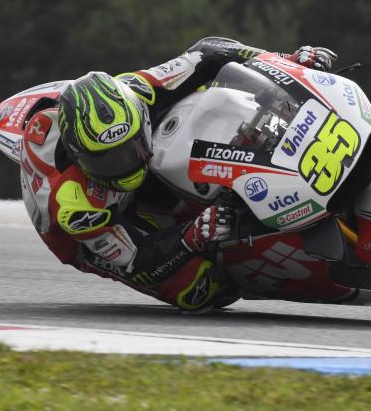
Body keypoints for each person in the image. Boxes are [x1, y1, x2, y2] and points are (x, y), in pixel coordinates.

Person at [20, 37, 337, 312]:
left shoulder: (139, 90)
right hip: (87, 236)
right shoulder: (75, 207)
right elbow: (138, 258)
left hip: (130, 146)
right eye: (109, 161)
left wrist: (283, 60)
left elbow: (209, 51)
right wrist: (191, 235)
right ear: (80, 157)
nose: (126, 165)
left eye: (131, 148)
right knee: (202, 290)